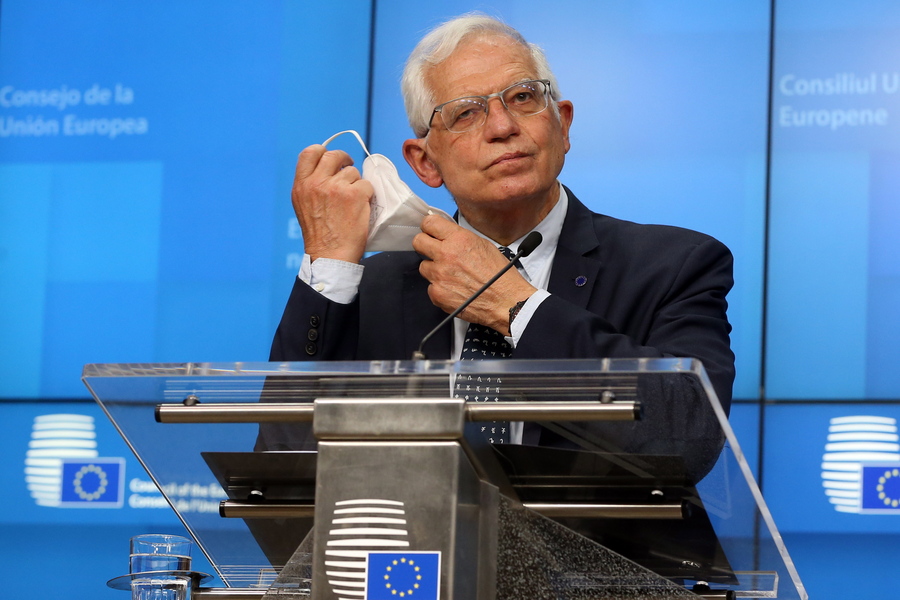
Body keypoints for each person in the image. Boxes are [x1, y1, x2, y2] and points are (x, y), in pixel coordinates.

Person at [259, 14, 735, 473]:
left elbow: (689, 439)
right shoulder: (374, 289)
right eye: (466, 112)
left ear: (563, 125)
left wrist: (515, 305)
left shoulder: (675, 266)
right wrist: (331, 263)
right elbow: (283, 475)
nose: (503, 126)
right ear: (424, 162)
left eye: (523, 97)